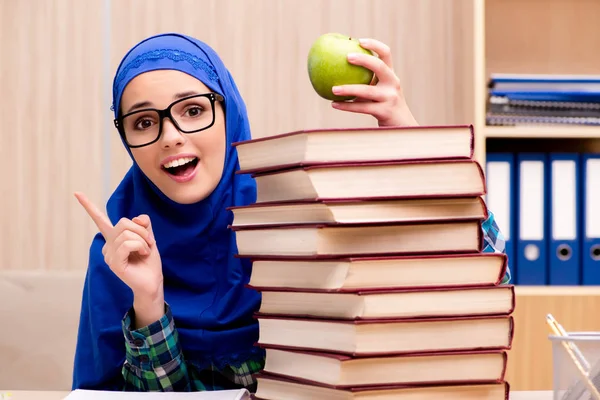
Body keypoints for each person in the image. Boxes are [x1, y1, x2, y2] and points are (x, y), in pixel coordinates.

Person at [71, 32, 511, 392]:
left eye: (193, 110)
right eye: (144, 122)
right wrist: (149, 302)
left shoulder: (296, 218)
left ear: (229, 113)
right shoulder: (121, 253)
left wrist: (408, 143)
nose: (170, 136)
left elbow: (487, 277)